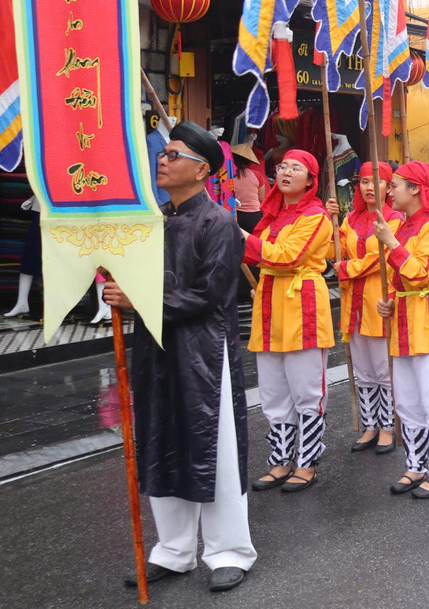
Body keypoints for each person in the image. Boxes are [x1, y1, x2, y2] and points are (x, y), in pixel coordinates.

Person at [107, 122, 254, 593]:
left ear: (202, 169)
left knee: (214, 451)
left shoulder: (220, 224)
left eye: (173, 155)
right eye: (163, 154)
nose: (162, 160)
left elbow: (210, 295)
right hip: (156, 350)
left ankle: (229, 551)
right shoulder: (154, 223)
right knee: (161, 443)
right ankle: (173, 550)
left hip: (204, 355)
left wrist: (140, 300)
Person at [242, 149, 333, 493]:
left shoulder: (316, 216)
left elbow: (287, 257)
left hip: (302, 304)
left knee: (307, 391)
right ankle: (280, 460)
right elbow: (257, 256)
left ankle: (306, 463)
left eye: (297, 168)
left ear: (310, 181)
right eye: (282, 166)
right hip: (268, 304)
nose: (286, 172)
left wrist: (241, 237)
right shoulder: (272, 216)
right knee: (273, 391)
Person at [373, 161, 429, 498]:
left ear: (414, 189)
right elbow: (402, 280)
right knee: (409, 401)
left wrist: (390, 242)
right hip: (405, 320)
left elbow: (421, 274)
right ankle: (417, 464)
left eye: (395, 185)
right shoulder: (404, 225)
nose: (389, 191)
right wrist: (390, 300)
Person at [326, 163, 400, 454]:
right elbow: (334, 252)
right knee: (363, 370)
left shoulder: (394, 219)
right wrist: (331, 223)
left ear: (389, 187)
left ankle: (388, 426)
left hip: (378, 300)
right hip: (353, 302)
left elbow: (381, 256)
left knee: (384, 368)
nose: (370, 187)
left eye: (377, 182)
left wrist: (347, 268)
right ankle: (370, 425)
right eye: (365, 181)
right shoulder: (350, 219)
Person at [230, 143, 266, 234]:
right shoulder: (257, 175)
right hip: (254, 216)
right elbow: (262, 198)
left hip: (234, 214)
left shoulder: (229, 175)